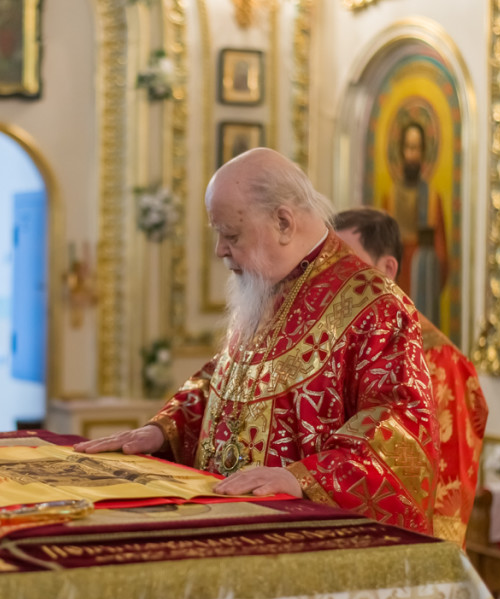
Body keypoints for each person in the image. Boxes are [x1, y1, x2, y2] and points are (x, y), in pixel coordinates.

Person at [76, 148, 438, 534]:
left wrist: (303, 478)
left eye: (230, 235)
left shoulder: (375, 305)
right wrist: (163, 429)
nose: (220, 251)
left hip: (303, 539)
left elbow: (401, 431)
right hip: (225, 523)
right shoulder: (267, 285)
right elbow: (227, 382)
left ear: (283, 222)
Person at [334, 207, 488, 546]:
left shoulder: (438, 358)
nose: (332, 281)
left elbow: (447, 486)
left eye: (346, 265)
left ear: (387, 270)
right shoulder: (336, 344)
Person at [383, 120, 448, 326]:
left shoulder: (432, 199)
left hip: (424, 289)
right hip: (397, 279)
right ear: (401, 151)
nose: (412, 154)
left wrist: (427, 266)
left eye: (417, 148)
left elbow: (442, 255)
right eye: (409, 148)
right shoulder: (390, 199)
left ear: (424, 153)